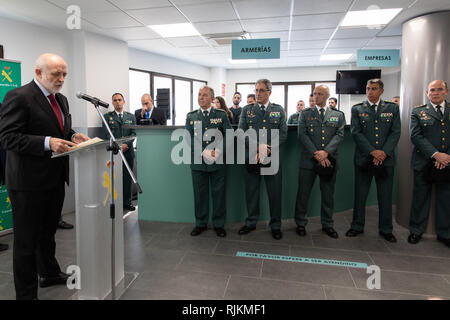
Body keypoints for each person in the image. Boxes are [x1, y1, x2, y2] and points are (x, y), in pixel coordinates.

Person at [0, 53, 90, 300]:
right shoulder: (18, 97)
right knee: (26, 242)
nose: (61, 79)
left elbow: (59, 128)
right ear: (39, 73)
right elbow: (8, 137)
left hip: (54, 179)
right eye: (56, 74)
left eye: (64, 74)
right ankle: (26, 294)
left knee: (47, 234)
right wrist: (48, 143)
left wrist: (73, 136)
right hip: (27, 183)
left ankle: (48, 273)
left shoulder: (60, 99)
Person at [346, 79, 401, 243]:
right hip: (364, 158)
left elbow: (395, 132)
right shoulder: (357, 109)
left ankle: (386, 229)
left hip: (386, 159)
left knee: (385, 196)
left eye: (374, 89)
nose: (370, 92)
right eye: (368, 88)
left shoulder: (392, 108)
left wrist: (383, 152)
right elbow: (356, 133)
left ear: (381, 91)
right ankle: (357, 226)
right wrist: (372, 151)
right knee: (360, 195)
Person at [238, 79, 288, 240]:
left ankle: (275, 225)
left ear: (269, 92)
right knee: (251, 192)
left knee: (275, 194)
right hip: (252, 157)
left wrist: (266, 149)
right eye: (256, 90)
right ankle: (251, 222)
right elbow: (241, 132)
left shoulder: (278, 110)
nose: (258, 94)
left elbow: (283, 133)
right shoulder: (247, 110)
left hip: (271, 158)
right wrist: (257, 146)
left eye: (261, 90)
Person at [295, 85, 345, 238]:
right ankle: (300, 223)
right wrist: (316, 153)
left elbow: (340, 134)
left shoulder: (338, 115)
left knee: (328, 194)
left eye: (320, 94)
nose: (316, 96)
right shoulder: (305, 114)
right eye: (314, 94)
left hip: (329, 161)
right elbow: (302, 135)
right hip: (309, 160)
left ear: (328, 95)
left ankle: (327, 224)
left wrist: (326, 153)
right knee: (303, 194)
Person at [408, 80, 450, 247]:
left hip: (447, 162)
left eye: (439, 89)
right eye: (432, 90)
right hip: (423, 162)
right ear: (427, 93)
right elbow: (416, 136)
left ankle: (445, 233)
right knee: (420, 198)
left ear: (446, 92)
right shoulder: (418, 112)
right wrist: (435, 155)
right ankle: (416, 230)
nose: (435, 93)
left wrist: (446, 156)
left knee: (445, 199)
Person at [186, 86, 232, 237]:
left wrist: (218, 151)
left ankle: (219, 224)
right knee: (200, 195)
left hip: (218, 161)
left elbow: (229, 135)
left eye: (205, 95)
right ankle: (200, 223)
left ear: (212, 99)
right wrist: (203, 151)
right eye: (199, 94)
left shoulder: (221, 114)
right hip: (198, 162)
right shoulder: (191, 116)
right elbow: (188, 137)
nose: (201, 97)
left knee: (219, 194)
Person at [102, 93, 136, 212]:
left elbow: (134, 134)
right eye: (115, 100)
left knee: (127, 178)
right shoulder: (107, 117)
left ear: (124, 101)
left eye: (119, 100)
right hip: (115, 152)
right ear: (112, 103)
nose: (117, 102)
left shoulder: (131, 117)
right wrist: (119, 146)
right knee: (114, 178)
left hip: (128, 152)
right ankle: (115, 202)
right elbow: (106, 134)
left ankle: (127, 202)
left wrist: (127, 144)